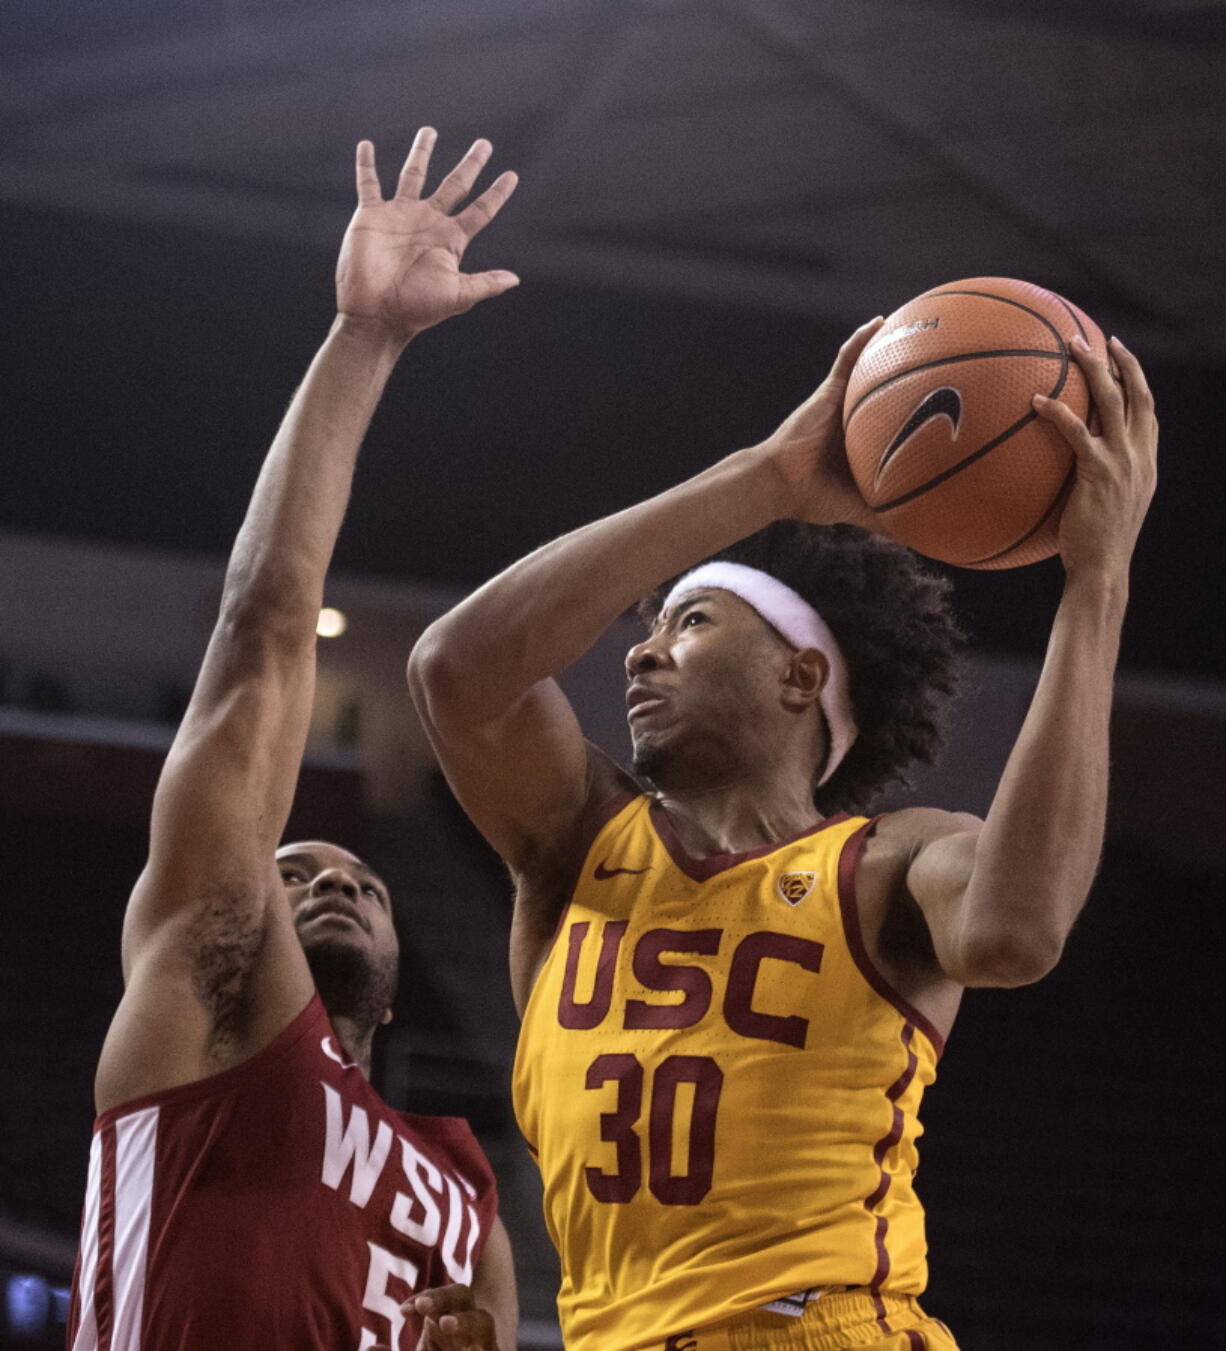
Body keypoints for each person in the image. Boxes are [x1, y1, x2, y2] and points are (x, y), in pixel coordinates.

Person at [407, 316, 1158, 1350]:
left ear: (799, 676)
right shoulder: (572, 844)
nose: (640, 656)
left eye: (690, 623)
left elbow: (1014, 931)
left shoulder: (890, 859)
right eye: (649, 629)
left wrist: (1095, 583)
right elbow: (454, 668)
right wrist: (764, 476)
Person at [68, 130, 520, 1351]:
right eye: (298, 871)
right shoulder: (212, 992)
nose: (336, 881)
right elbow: (264, 631)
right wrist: (363, 339)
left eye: (361, 878)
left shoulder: (467, 1189)